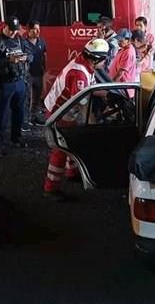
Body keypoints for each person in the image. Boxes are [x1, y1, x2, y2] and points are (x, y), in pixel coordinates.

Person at [42, 38, 110, 201]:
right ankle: (50, 188)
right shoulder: (79, 72)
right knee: (60, 149)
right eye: (105, 58)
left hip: (65, 110)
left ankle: (71, 172)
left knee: (72, 142)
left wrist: (105, 93)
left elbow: (88, 89)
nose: (106, 61)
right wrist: (93, 124)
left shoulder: (85, 64)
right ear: (96, 58)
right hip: (58, 113)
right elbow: (82, 102)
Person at [0, 16, 32, 155]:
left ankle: (16, 138)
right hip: (5, 83)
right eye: (11, 30)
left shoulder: (20, 39)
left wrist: (26, 57)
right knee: (2, 115)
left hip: (20, 81)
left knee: (19, 113)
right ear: (4, 26)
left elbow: (31, 54)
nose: (13, 33)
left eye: (15, 30)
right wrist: (8, 60)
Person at [22, 20, 47, 126]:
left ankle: (33, 118)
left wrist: (44, 69)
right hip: (27, 75)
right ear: (29, 30)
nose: (38, 31)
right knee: (26, 99)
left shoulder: (41, 41)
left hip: (38, 74)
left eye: (39, 29)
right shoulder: (23, 42)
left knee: (36, 98)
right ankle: (25, 121)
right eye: (35, 29)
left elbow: (44, 55)